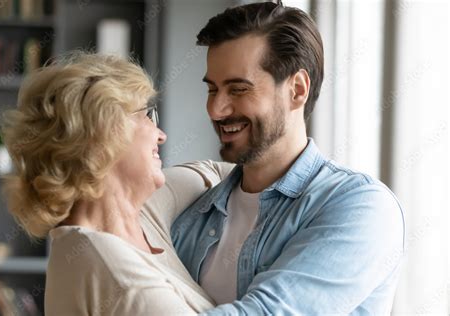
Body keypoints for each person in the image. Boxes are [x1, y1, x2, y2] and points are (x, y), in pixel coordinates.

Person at [170, 1, 406, 315]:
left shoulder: (360, 206)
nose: (216, 109)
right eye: (213, 90)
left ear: (297, 89)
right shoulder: (193, 218)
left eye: (238, 89)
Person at [0, 52, 233, 315]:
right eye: (146, 115)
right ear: (103, 132)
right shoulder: (112, 271)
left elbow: (219, 172)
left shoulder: (142, 211)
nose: (161, 135)